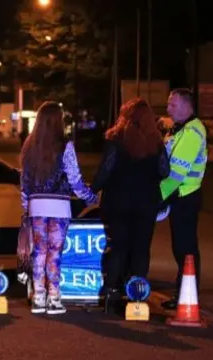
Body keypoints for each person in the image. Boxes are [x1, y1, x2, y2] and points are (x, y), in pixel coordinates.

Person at [91, 98, 170, 312]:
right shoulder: (156, 141)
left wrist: (90, 190)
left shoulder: (116, 139)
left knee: (118, 247)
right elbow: (165, 171)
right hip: (146, 204)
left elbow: (105, 172)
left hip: (118, 203)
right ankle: (137, 294)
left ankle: (110, 292)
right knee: (141, 249)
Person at [20, 101, 97, 315]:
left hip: (37, 205)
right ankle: (54, 298)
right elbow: (75, 179)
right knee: (54, 253)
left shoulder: (30, 145)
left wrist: (26, 207)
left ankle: (38, 297)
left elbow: (24, 181)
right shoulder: (66, 146)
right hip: (60, 206)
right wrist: (90, 197)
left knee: (39, 251)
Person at [160, 88, 208, 310]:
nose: (168, 109)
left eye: (173, 105)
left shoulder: (191, 133)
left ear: (188, 106)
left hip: (184, 197)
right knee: (182, 247)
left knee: (185, 248)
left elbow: (176, 174)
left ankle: (186, 295)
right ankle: (185, 293)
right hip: (182, 197)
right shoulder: (182, 129)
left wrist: (156, 196)